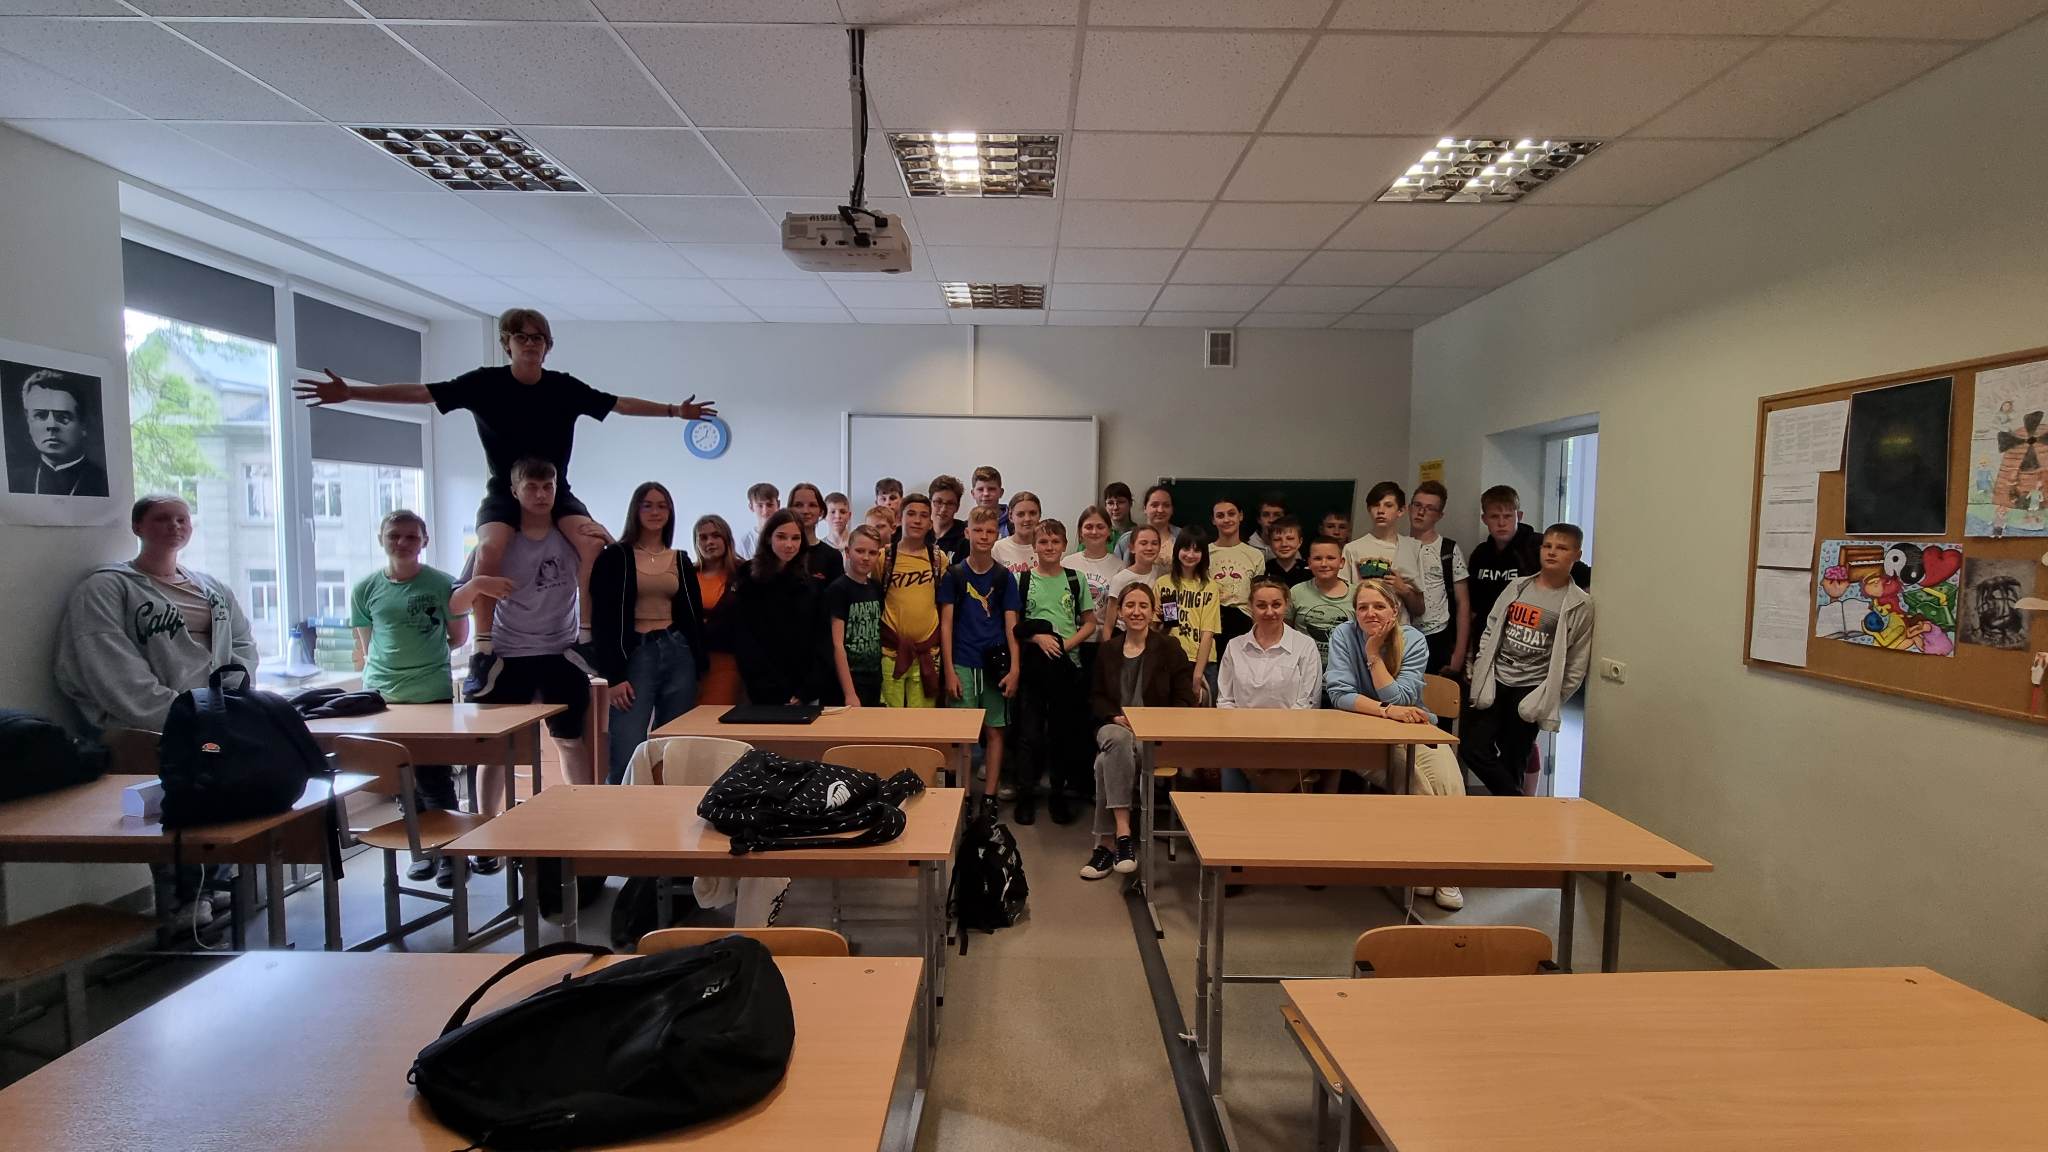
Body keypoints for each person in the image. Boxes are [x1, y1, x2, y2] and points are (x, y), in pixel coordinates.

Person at [295, 308, 715, 697]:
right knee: (490, 549)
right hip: (502, 491)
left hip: (555, 489)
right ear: (507, 344)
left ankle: (585, 638)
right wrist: (353, 392)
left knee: (593, 543)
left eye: (537, 338)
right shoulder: (484, 384)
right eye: (521, 337)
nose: (530, 344)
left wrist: (674, 411)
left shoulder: (563, 388)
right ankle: (483, 647)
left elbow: (619, 404)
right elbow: (423, 393)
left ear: (547, 346)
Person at [56, 494, 257, 927]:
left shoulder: (211, 588)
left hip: (213, 717)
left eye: (182, 519)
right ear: (137, 527)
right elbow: (110, 667)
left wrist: (229, 702)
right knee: (172, 806)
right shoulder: (107, 588)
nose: (174, 526)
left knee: (221, 799)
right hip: (148, 726)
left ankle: (211, 884)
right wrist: (182, 714)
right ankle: (182, 897)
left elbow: (242, 644)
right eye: (162, 519)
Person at [1324, 578, 1469, 910]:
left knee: (1450, 786)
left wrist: (1374, 656)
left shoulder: (1412, 638)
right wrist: (1387, 710)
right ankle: (1423, 866)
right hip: (1362, 738)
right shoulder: (1343, 635)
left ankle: (1448, 873)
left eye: (1379, 606)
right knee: (1417, 786)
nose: (1370, 613)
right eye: (1363, 607)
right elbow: (1340, 695)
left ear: (1395, 609)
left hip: (1414, 729)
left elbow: (1403, 696)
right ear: (1354, 612)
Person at [458, 458, 596, 802]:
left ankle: (584, 815)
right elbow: (460, 600)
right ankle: (485, 826)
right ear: (514, 491)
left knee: (570, 741)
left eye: (547, 487)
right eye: (531, 487)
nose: (540, 495)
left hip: (561, 653)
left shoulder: (570, 540)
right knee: (497, 750)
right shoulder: (496, 543)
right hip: (508, 655)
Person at [351, 509, 467, 886]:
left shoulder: (442, 584)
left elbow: (458, 637)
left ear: (424, 541)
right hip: (383, 698)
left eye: (411, 537)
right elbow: (367, 644)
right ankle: (421, 852)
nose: (402, 543)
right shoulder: (365, 588)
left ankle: (451, 855)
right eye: (394, 536)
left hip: (430, 695)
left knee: (434, 777)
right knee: (401, 781)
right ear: (381, 539)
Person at [1464, 524, 1595, 797]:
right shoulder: (1518, 587)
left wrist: (1553, 696)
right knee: (1472, 747)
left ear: (1576, 555)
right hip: (1498, 679)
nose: (1551, 552)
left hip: (1531, 689)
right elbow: (1491, 627)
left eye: (1561, 548)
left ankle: (1509, 817)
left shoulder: (1579, 604)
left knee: (1514, 758)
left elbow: (1577, 662)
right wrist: (1481, 663)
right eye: (1547, 546)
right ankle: (1518, 801)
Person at [591, 482, 708, 785]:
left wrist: (698, 663)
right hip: (636, 654)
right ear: (636, 510)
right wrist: (613, 677)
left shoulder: (679, 559)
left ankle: (669, 808)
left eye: (662, 506)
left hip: (676, 651)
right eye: (648, 505)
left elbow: (693, 616)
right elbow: (602, 619)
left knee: (674, 745)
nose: (655, 512)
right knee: (627, 744)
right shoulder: (615, 557)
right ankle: (621, 808)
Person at [1081, 583, 1194, 880]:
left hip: (1152, 737)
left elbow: (1185, 699)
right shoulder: (1108, 650)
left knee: (1103, 763)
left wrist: (1154, 722)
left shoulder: (1169, 648)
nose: (1136, 611)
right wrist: (1114, 716)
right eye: (1129, 605)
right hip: (1115, 726)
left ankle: (1106, 844)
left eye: (1143, 605)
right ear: (1119, 611)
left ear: (1153, 611)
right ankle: (1124, 834)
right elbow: (1096, 697)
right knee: (1116, 739)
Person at [1010, 518, 1096, 825]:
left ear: (1065, 545)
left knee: (1062, 735)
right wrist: (1037, 638)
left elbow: (1089, 622)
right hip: (1033, 668)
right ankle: (1026, 795)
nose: (1049, 547)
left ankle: (1058, 794)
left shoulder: (1075, 579)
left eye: (1055, 542)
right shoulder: (1021, 580)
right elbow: (1014, 624)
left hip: (1067, 666)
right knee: (1029, 735)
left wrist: (1064, 644)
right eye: (1043, 542)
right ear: (1034, 547)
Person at [938, 506, 1020, 812]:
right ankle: (963, 795)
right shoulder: (954, 575)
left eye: (990, 531)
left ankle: (989, 797)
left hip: (995, 664)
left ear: (996, 534)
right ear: (967, 532)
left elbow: (1012, 625)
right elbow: (946, 625)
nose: (984, 536)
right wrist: (949, 670)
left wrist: (1015, 667)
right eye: (978, 530)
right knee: (963, 735)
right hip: (962, 661)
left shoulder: (1004, 577)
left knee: (995, 730)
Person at [1217, 577, 1324, 793]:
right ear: (1250, 607)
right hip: (1240, 741)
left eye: (1276, 604)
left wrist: (1273, 741)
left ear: (1287, 605)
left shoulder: (1305, 646)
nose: (1269, 612)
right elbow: (1225, 700)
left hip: (1287, 745)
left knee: (1266, 808)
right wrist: (1243, 738)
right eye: (1261, 605)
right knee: (1231, 804)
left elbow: (1307, 703)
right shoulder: (1234, 646)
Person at [1467, 485, 1591, 646]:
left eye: (1507, 516)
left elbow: (1586, 576)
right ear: (1484, 519)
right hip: (1487, 637)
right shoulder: (1480, 554)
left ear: (1519, 516)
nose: (1501, 523)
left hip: (1529, 639)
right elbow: (1473, 605)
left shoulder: (1539, 546)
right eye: (1494, 517)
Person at [732, 509, 825, 705]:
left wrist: (807, 690)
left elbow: (818, 639)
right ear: (768, 538)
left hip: (803, 690)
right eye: (781, 537)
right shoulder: (749, 578)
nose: (789, 545)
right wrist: (769, 687)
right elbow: (745, 638)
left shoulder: (809, 585)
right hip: (763, 688)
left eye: (795, 538)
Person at [879, 493, 949, 708]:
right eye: (911, 514)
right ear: (899, 518)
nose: (917, 520)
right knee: (889, 719)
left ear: (930, 522)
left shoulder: (938, 558)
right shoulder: (885, 557)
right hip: (891, 653)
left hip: (928, 653)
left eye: (923, 516)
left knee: (923, 721)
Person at [11, 369, 107, 496]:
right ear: (28, 422)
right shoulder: (15, 481)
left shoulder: (102, 481)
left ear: (83, 425)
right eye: (40, 415)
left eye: (63, 417)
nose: (51, 425)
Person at [1408, 480, 1470, 676]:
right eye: (1417, 505)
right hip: (1403, 635)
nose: (1421, 512)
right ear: (1409, 507)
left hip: (1437, 637)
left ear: (1439, 515)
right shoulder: (1397, 546)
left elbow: (1463, 604)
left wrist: (1458, 654)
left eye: (1430, 508)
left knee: (1437, 693)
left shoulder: (1448, 550)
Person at [1341, 481, 1424, 621]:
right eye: (1376, 505)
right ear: (1369, 509)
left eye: (1388, 505)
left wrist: (1404, 590)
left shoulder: (1413, 548)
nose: (1380, 510)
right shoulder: (1352, 549)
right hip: (1363, 627)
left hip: (1400, 629)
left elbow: (1420, 609)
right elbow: (1343, 599)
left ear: (1401, 511)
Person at [1156, 527, 1220, 704]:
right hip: (1169, 660)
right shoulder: (1163, 583)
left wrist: (1197, 674)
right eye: (1186, 548)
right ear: (1177, 550)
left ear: (1203, 554)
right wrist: (1160, 620)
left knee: (1203, 714)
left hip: (1203, 662)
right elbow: (1157, 632)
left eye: (1197, 550)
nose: (1190, 554)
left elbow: (1208, 633)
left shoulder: (1209, 587)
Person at [828, 525, 886, 707]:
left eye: (872, 552)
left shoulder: (876, 588)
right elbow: (837, 644)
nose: (866, 557)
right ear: (847, 552)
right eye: (860, 551)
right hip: (848, 679)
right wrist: (850, 693)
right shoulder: (838, 589)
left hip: (873, 677)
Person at [1063, 504, 1124, 676]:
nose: (1094, 532)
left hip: (1103, 641)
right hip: (1071, 639)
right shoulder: (1067, 563)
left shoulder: (1119, 566)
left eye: (1100, 527)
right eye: (1089, 527)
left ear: (1109, 531)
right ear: (1080, 532)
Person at [690, 513, 744, 705]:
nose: (710, 542)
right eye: (703, 537)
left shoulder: (742, 573)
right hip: (689, 663)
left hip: (727, 662)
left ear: (726, 538)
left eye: (715, 535)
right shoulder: (687, 574)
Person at [1208, 496, 1264, 647]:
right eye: (1220, 515)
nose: (1226, 519)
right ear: (1213, 520)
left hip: (1244, 624)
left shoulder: (1255, 555)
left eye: (1231, 514)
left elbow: (1257, 596)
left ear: (1241, 516)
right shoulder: (1204, 553)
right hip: (1212, 623)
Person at [1288, 537, 1353, 664]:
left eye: (1330, 558)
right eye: (1317, 558)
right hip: (1304, 665)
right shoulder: (1296, 592)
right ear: (1309, 562)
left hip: (1344, 667)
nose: (1324, 564)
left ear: (1341, 562)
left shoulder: (1356, 595)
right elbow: (1284, 630)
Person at [786, 482, 844, 586]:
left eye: (812, 505)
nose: (805, 511)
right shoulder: (781, 553)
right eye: (798, 505)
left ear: (821, 511)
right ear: (789, 509)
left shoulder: (832, 556)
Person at [1108, 523, 1165, 611]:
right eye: (1143, 543)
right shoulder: (1120, 579)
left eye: (1154, 543)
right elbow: (1111, 617)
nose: (1149, 548)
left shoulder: (1163, 574)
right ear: (1132, 548)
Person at [1115, 484, 1175, 564]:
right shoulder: (1126, 540)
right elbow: (1115, 569)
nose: (1160, 510)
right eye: (1154, 505)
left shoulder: (1183, 538)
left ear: (1172, 509)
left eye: (1166, 505)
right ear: (1145, 508)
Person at [990, 491, 1041, 574]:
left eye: (1032, 513)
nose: (1027, 519)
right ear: (1010, 516)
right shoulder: (998, 548)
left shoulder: (1048, 546)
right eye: (1021, 514)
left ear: (1039, 515)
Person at [1263, 515, 1311, 587]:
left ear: (1300, 542)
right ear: (1270, 543)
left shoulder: (1311, 570)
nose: (1284, 544)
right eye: (1277, 539)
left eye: (1290, 538)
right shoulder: (1264, 570)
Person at [929, 474, 968, 562]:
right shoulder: (920, 533)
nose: (943, 509)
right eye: (938, 502)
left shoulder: (965, 536)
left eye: (950, 504)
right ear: (929, 503)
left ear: (957, 507)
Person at [736, 481, 780, 559]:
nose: (765, 511)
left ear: (778, 505)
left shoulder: (789, 535)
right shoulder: (745, 542)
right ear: (751, 507)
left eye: (770, 505)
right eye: (760, 505)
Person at [970, 465, 1009, 537]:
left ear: (1001, 493)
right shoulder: (967, 526)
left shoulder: (1014, 523)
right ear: (973, 494)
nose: (986, 494)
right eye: (980, 489)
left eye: (991, 489)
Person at [1247, 492, 1287, 559]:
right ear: (1259, 519)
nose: (1271, 520)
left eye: (1277, 515)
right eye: (1266, 515)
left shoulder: (1291, 549)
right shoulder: (1247, 547)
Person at [1101, 482, 1136, 551]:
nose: (1115, 507)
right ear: (1105, 506)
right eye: (1110, 503)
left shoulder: (1138, 533)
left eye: (1120, 502)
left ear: (1130, 503)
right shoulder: (1098, 533)